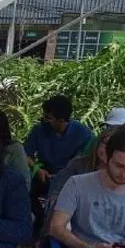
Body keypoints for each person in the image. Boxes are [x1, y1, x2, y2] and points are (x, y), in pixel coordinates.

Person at [24, 95, 92, 235]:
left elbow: (84, 162)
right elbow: (26, 155)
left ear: (61, 120)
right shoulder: (39, 130)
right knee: (24, 189)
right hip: (44, 171)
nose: (44, 120)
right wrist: (37, 169)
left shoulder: (83, 133)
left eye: (49, 118)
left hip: (70, 176)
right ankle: (38, 221)